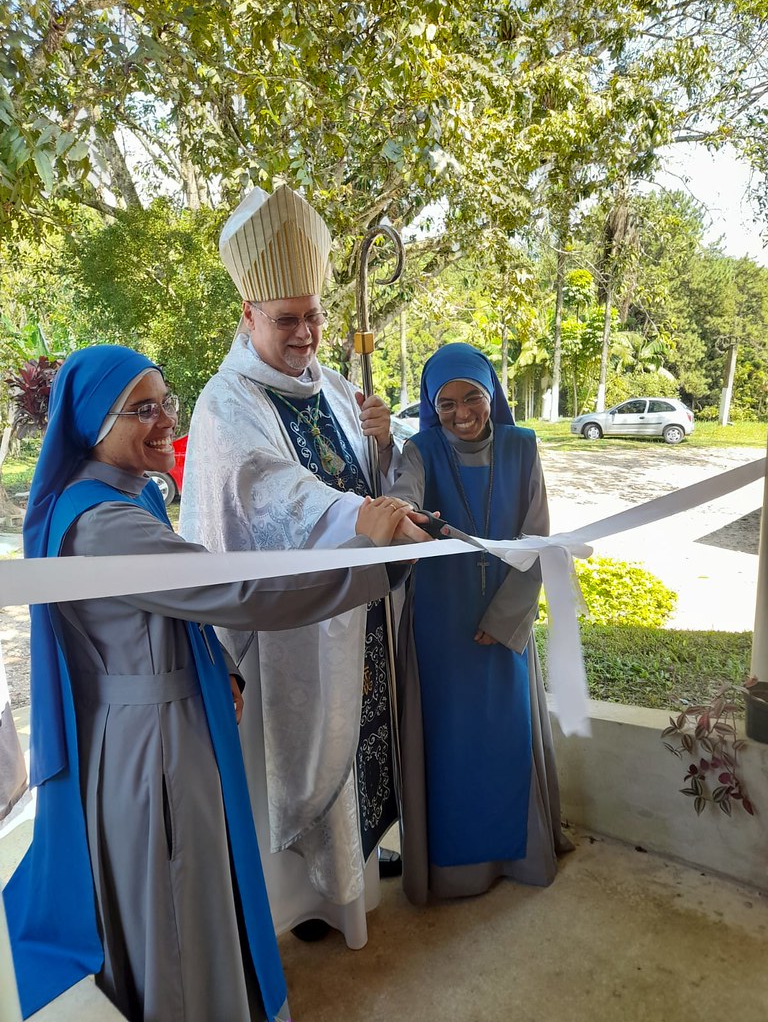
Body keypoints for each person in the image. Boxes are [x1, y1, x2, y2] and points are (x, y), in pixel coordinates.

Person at [2, 345, 414, 1022]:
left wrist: (217, 663)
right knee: (177, 895)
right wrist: (361, 552)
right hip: (154, 750)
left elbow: (159, 610)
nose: (166, 419)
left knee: (186, 891)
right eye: (143, 408)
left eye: (166, 400)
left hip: (157, 721)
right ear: (92, 424)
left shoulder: (112, 496)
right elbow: (236, 588)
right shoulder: (106, 525)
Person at [180, 185, 422, 948]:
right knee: (299, 757)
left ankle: (354, 876)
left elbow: (372, 477)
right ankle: (307, 902)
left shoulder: (339, 391)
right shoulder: (227, 403)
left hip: (357, 615)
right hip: (290, 628)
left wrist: (383, 439)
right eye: (287, 320)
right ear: (247, 315)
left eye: (314, 314)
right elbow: (268, 489)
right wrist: (356, 516)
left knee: (364, 739)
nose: (307, 332)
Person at [389, 343, 573, 904]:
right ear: (430, 404)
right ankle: (449, 873)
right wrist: (407, 517)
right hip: (439, 627)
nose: (461, 412)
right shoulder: (417, 451)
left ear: (492, 392)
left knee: (507, 733)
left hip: (507, 619)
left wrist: (505, 617)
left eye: (473, 397)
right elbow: (402, 498)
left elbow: (538, 536)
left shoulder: (523, 446)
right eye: (446, 403)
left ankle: (517, 859)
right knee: (448, 745)